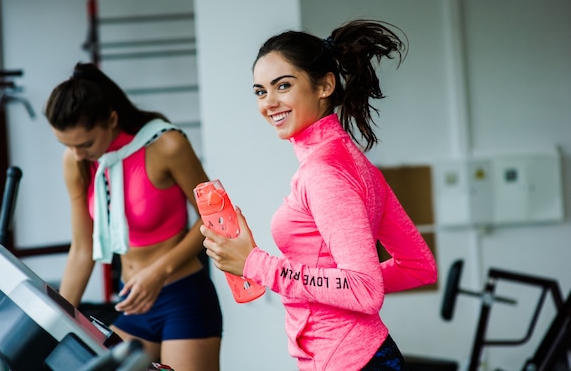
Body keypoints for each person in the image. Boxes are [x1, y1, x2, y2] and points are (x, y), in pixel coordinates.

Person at [200, 19, 438, 371]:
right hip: (360, 356)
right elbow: (419, 268)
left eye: (283, 86)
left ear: (325, 85)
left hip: (349, 360)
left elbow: (365, 291)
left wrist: (257, 265)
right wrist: (332, 292)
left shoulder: (324, 173)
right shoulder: (352, 162)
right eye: (260, 91)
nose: (269, 103)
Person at [44, 62, 222, 371]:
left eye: (85, 144)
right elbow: (82, 249)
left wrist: (158, 272)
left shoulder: (166, 145)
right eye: (66, 145)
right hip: (134, 305)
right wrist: (55, 325)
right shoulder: (77, 162)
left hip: (183, 299)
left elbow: (216, 216)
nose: (77, 154)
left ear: (111, 119)